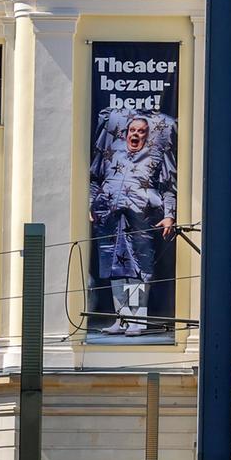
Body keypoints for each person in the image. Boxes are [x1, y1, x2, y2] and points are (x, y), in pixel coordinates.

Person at [89, 112, 176, 336]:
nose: (135, 134)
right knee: (114, 268)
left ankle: (138, 319)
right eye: (132, 130)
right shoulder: (113, 155)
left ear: (147, 135)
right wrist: (91, 204)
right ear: (125, 133)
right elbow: (95, 179)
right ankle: (122, 318)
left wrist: (170, 214)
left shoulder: (155, 157)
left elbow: (168, 186)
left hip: (140, 218)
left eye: (141, 131)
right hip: (109, 216)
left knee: (138, 269)